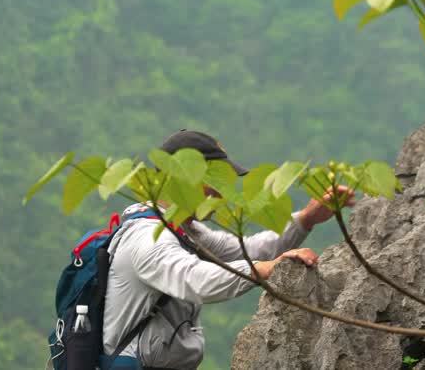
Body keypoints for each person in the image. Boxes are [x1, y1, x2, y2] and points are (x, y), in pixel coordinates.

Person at [101, 130, 354, 370]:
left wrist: (306, 218)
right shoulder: (148, 237)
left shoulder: (186, 230)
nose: (222, 192)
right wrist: (266, 269)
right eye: (215, 181)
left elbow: (250, 251)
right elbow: (195, 279)